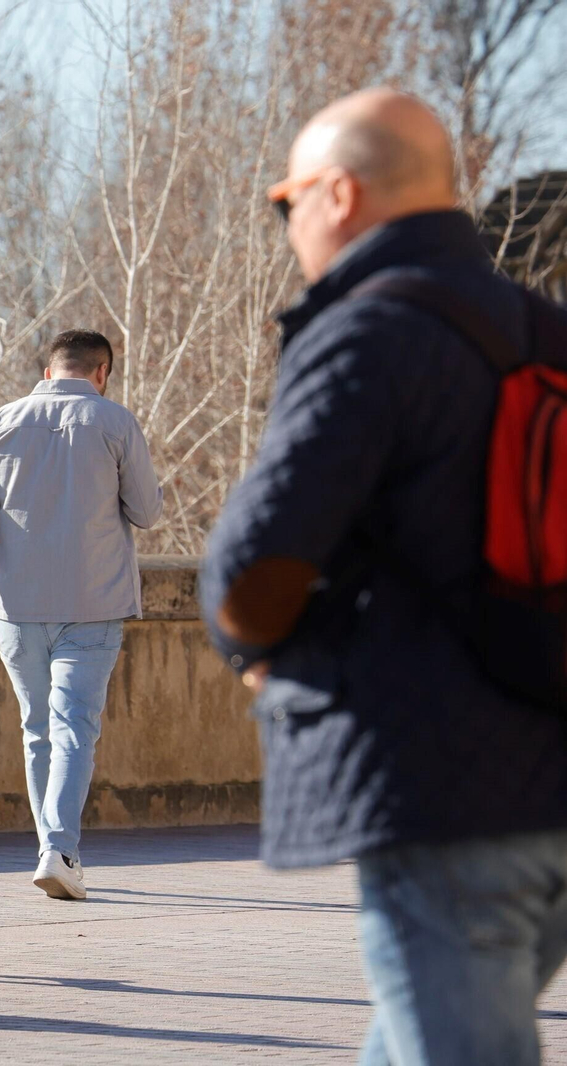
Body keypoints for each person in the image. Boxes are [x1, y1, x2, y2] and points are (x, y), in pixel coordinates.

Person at [201, 88, 567, 1065]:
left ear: (339, 192)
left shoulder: (368, 328)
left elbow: (257, 555)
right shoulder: (542, 331)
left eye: (286, 202)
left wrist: (252, 652)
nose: (285, 226)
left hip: (439, 787)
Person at [0, 329, 161, 900]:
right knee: (73, 728)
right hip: (93, 604)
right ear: (101, 371)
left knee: (39, 730)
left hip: (18, 609)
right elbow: (149, 513)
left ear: (50, 369)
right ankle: (59, 850)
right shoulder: (115, 423)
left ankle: (52, 849)